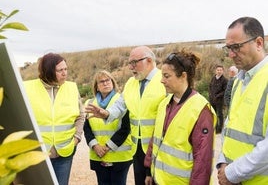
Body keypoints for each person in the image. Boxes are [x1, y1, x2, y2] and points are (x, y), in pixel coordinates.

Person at [85, 46, 167, 185]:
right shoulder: (131, 83)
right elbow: (121, 105)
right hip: (138, 150)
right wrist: (107, 113)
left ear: (148, 60)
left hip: (160, 149)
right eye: (130, 63)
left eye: (134, 63)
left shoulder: (164, 80)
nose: (130, 67)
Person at [144, 50, 216, 185]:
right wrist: (149, 171)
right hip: (158, 179)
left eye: (166, 76)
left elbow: (203, 161)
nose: (161, 81)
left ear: (183, 76)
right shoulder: (164, 103)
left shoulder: (200, 109)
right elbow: (155, 138)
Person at [217, 17, 268, 184]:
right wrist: (223, 162)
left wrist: (231, 173)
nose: (231, 55)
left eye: (236, 47)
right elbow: (230, 125)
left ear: (259, 43)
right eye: (228, 48)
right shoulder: (239, 80)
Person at [24, 53, 84, 185]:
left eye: (66, 69)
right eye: (60, 70)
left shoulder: (72, 88)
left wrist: (77, 138)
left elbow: (80, 115)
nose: (64, 73)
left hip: (65, 151)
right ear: (48, 71)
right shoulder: (27, 88)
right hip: (38, 153)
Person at [83, 70, 132, 185]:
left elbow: (126, 128)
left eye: (108, 80)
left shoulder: (122, 101)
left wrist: (107, 147)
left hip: (119, 156)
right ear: (97, 87)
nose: (105, 83)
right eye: (101, 82)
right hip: (98, 156)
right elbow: (87, 129)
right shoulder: (90, 103)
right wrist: (95, 146)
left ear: (113, 82)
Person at [209, 65, 228, 133]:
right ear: (215, 71)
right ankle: (215, 127)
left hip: (219, 100)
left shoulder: (224, 80)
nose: (219, 71)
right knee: (213, 114)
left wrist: (217, 96)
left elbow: (225, 90)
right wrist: (210, 95)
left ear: (222, 71)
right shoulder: (213, 78)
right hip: (212, 100)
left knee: (219, 114)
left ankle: (220, 129)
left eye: (220, 70)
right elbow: (210, 87)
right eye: (218, 70)